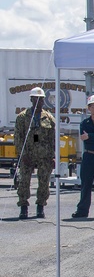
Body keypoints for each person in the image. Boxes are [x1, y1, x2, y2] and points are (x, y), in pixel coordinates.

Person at [13, 86, 55, 220]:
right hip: (28, 155)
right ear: (31, 99)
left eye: (41, 99)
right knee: (24, 181)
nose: (38, 102)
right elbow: (18, 137)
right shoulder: (22, 117)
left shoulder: (48, 117)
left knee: (44, 181)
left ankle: (40, 206)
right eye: (36, 99)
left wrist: (53, 156)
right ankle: (23, 207)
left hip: (44, 155)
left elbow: (53, 138)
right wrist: (22, 154)